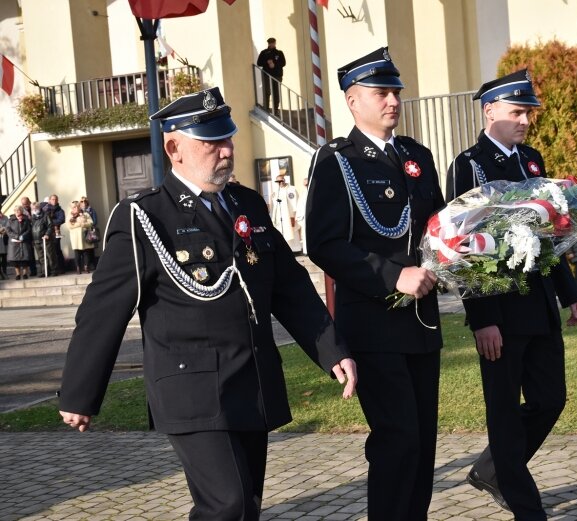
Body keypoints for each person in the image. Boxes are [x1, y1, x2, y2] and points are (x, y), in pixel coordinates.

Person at [58, 87, 357, 520]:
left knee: (246, 504)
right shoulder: (144, 216)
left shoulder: (247, 204)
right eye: (212, 141)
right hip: (192, 389)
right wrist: (79, 391)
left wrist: (332, 350)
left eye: (228, 138)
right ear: (174, 147)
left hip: (249, 379)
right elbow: (104, 309)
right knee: (227, 503)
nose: (227, 149)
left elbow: (289, 288)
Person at [306, 47, 444, 520]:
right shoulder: (336, 161)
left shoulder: (418, 157)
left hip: (423, 327)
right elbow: (323, 243)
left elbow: (439, 229)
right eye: (381, 92)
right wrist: (393, 276)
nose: (393, 101)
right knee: (397, 438)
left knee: (423, 443)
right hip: (373, 325)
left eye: (396, 92)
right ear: (352, 100)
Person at [445, 69, 577, 520]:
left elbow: (550, 233)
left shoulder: (533, 160)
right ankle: (527, 508)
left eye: (529, 113)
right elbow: (461, 247)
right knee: (504, 412)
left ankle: (491, 469)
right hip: (500, 310)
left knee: (550, 399)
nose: (525, 120)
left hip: (539, 301)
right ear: (490, 111)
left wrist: (568, 291)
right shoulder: (469, 165)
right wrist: (482, 317)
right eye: (517, 111)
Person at [271, 175, 302, 253]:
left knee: (292, 233)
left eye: (281, 181)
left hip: (289, 216)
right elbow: (274, 206)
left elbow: (294, 203)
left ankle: (295, 249)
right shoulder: (276, 191)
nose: (280, 183)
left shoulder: (291, 189)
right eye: (278, 181)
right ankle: (284, 250)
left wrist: (293, 216)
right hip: (279, 218)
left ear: (284, 180)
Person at [257, 37, 286, 114]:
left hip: (277, 75)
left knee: (276, 92)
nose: (271, 44)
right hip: (267, 75)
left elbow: (283, 63)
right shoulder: (264, 52)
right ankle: (266, 108)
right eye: (270, 43)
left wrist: (274, 64)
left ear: (275, 43)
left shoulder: (279, 53)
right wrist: (267, 62)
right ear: (268, 43)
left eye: (273, 42)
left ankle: (276, 109)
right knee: (267, 91)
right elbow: (259, 63)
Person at [65, 202, 95, 274]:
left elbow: (91, 222)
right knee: (77, 252)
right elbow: (69, 226)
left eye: (77, 207)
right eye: (74, 207)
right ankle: (78, 268)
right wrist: (79, 224)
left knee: (86, 252)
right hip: (76, 237)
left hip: (85, 235)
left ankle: (86, 266)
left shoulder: (85, 214)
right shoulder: (70, 216)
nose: (76, 208)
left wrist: (84, 224)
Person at [7, 205, 33, 280]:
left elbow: (29, 229)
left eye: (19, 210)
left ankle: (25, 273)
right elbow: (8, 230)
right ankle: (18, 274)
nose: (18, 212)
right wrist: (16, 236)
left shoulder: (26, 219)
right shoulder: (11, 220)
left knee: (25, 259)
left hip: (24, 241)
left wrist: (23, 236)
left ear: (22, 211)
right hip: (14, 243)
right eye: (16, 211)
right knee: (15, 260)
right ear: (14, 212)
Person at [30, 202, 56, 277]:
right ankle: (44, 271)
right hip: (36, 240)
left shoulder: (45, 215)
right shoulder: (32, 217)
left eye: (35, 208)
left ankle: (53, 270)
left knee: (50, 255)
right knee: (41, 257)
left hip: (45, 239)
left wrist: (47, 234)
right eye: (33, 208)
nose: (34, 210)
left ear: (38, 208)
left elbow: (50, 225)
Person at [42, 194, 65, 274]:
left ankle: (61, 268)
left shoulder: (60, 210)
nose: (54, 201)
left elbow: (61, 220)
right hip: (47, 233)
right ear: (50, 200)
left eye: (55, 199)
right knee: (48, 251)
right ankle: (49, 269)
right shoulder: (45, 209)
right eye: (52, 199)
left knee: (57, 250)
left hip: (56, 232)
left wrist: (50, 222)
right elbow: (43, 221)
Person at [295, 176, 309, 255]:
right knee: (304, 235)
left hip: (311, 217)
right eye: (305, 185)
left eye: (306, 184)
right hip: (304, 217)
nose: (306, 186)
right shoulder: (303, 193)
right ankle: (306, 251)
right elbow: (300, 205)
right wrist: (298, 216)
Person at [0, 208, 8, 279]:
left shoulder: (5, 217)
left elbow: (8, 226)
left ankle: (4, 272)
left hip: (4, 240)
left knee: (4, 257)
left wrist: (5, 229)